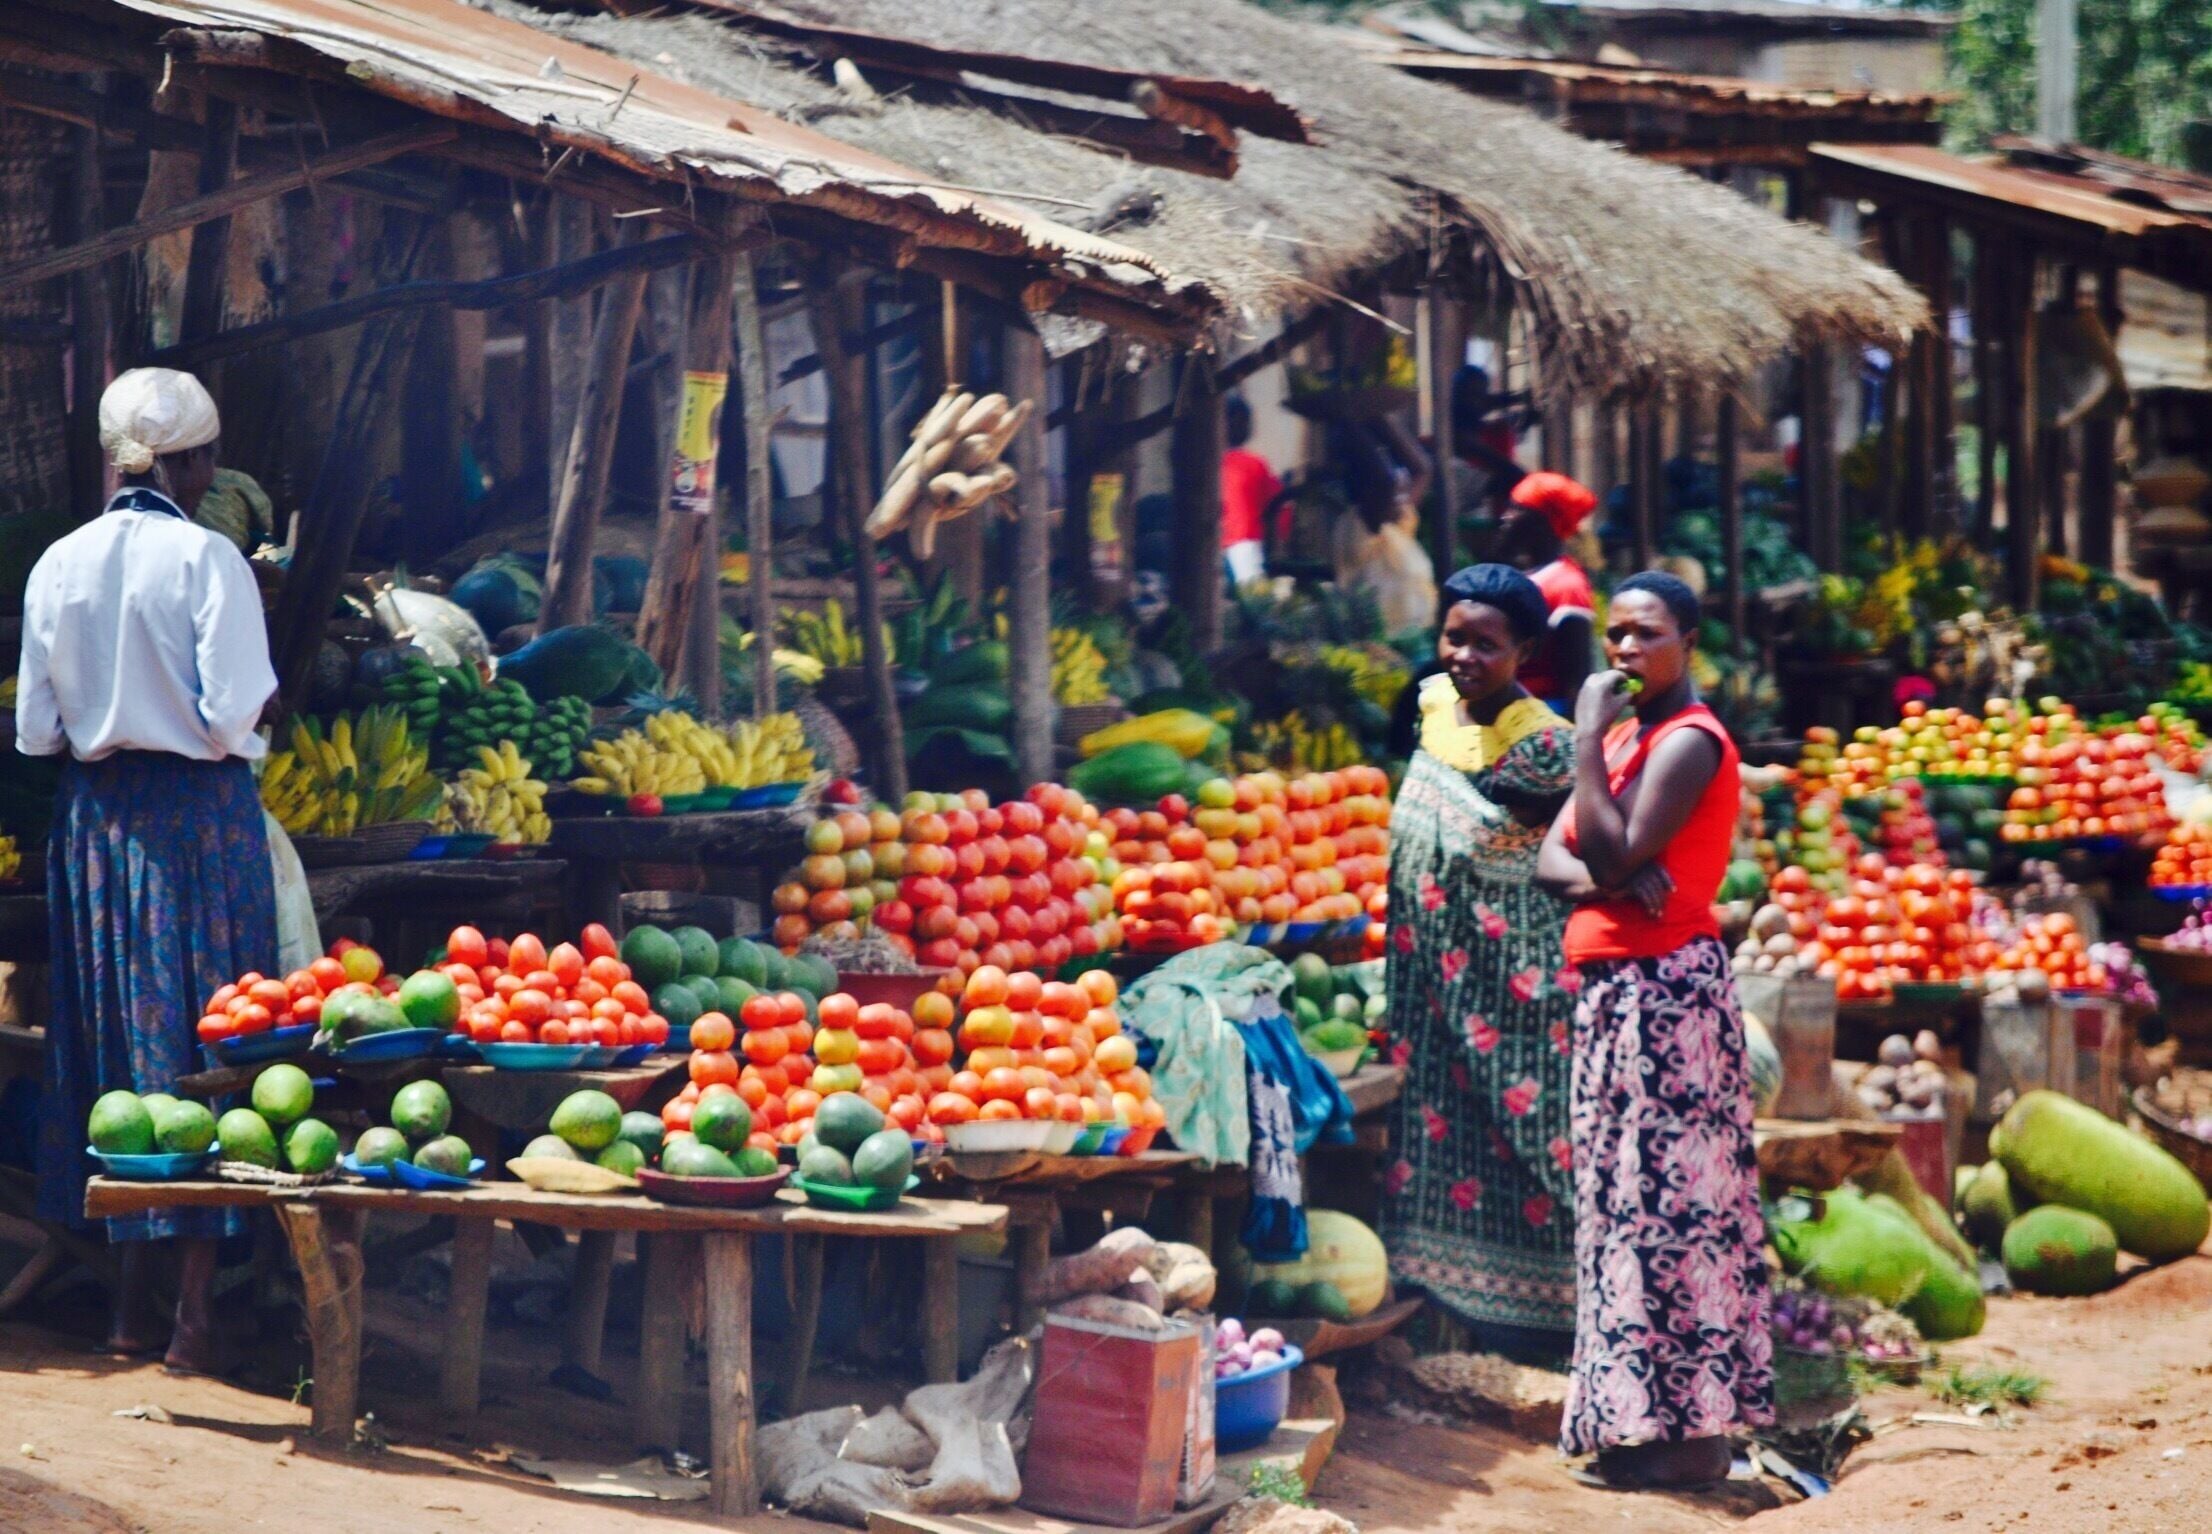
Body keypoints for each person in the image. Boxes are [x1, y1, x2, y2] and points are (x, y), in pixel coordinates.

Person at [21, 368, 280, 1375]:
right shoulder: (210, 558)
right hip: (198, 821)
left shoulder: (58, 564)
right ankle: (194, 1319)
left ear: (110, 459)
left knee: (114, 1041)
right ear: (198, 465)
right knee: (206, 1037)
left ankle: (125, 1308)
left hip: (94, 826)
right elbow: (228, 716)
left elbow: (39, 731)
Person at [1535, 571, 1771, 1490]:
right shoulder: (1633, 740)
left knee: (1675, 1214)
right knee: (1620, 1207)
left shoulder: (1687, 744)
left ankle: (1692, 1437)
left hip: (1664, 996)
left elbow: (1606, 844)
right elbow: (1555, 862)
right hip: (1614, 993)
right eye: (1616, 635)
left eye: (1646, 634)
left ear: (1689, 640)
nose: (1626, 651)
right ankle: (1640, 1425)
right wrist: (1610, 869)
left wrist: (1586, 742)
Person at [1381, 565, 1580, 1357]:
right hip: (1430, 989)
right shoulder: (1434, 708)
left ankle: (1553, 1325)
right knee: (1440, 1130)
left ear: (1525, 651)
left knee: (1533, 1143)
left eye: (1487, 645)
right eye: (1455, 637)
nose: (1465, 655)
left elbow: (1557, 856)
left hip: (1515, 995)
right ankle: (1444, 1312)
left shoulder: (1549, 747)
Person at [1495, 471, 1598, 711]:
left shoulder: (1566, 587)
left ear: (1542, 523)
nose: (1505, 518)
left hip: (1543, 722)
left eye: (1517, 509)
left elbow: (1577, 681)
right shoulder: (1530, 575)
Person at [1330, 417, 1437, 635]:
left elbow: (1422, 469)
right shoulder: (1363, 525)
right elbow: (1385, 481)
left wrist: (1379, 416)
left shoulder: (1397, 525)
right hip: (1379, 641)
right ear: (1368, 494)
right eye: (1393, 493)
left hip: (1413, 637)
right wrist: (1346, 415)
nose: (1400, 498)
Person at [1220, 394, 1284, 588]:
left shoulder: (1207, 467)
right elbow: (1278, 508)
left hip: (1215, 546)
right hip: (1246, 547)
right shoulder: (1256, 465)